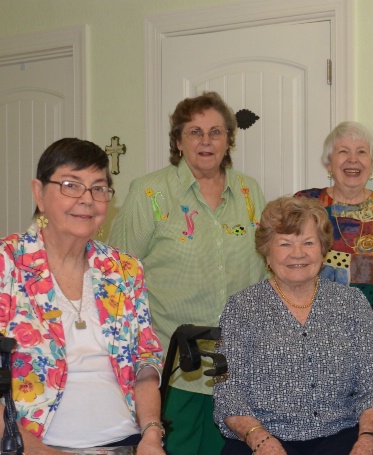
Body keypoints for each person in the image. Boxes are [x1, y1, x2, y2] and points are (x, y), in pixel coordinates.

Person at [109, 91, 268, 454]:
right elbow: (117, 279)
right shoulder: (149, 192)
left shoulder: (249, 191)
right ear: (178, 141)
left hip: (237, 368)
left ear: (229, 139)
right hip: (172, 368)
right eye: (194, 132)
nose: (206, 141)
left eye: (216, 131)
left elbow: (265, 273)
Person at [0, 138, 164, 453]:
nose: (87, 200)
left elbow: (145, 360)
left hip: (126, 442)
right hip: (34, 446)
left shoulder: (125, 269)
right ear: (39, 193)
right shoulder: (8, 263)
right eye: (71, 185)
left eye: (99, 188)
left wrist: (152, 435)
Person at [213, 196, 373, 455]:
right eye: (285, 244)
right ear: (267, 253)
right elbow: (228, 393)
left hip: (342, 435)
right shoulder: (241, 308)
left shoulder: (352, 303)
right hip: (263, 437)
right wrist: (260, 440)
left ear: (323, 249)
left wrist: (368, 438)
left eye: (308, 242)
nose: (298, 254)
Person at [295, 121, 373, 372]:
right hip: (308, 339)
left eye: (361, 152)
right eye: (343, 151)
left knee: (371, 411)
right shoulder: (305, 204)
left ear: (371, 164)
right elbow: (285, 265)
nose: (353, 160)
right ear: (329, 163)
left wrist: (369, 324)